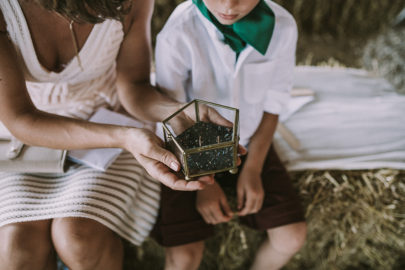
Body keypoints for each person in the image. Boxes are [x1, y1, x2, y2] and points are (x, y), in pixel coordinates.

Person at [0, 0, 219, 269]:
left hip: (114, 122)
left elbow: (135, 85)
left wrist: (176, 111)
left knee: (77, 238)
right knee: (16, 249)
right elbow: (21, 119)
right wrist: (125, 136)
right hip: (24, 140)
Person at [152, 0, 307, 269]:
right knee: (183, 258)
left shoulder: (283, 27)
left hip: (249, 142)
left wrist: (254, 168)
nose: (229, 5)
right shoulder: (178, 31)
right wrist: (204, 182)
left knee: (292, 237)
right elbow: (172, 115)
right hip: (188, 148)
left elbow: (273, 104)